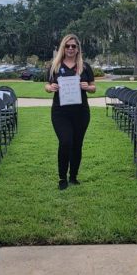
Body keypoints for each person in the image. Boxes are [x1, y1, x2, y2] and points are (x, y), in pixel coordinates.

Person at [45, 34, 96, 190]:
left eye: (74, 46)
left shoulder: (85, 67)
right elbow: (46, 86)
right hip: (60, 112)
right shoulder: (55, 66)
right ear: (63, 47)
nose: (71, 49)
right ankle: (62, 178)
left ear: (78, 48)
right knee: (66, 142)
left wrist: (88, 87)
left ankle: (73, 176)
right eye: (68, 46)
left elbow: (94, 88)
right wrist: (50, 88)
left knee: (77, 144)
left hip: (81, 112)